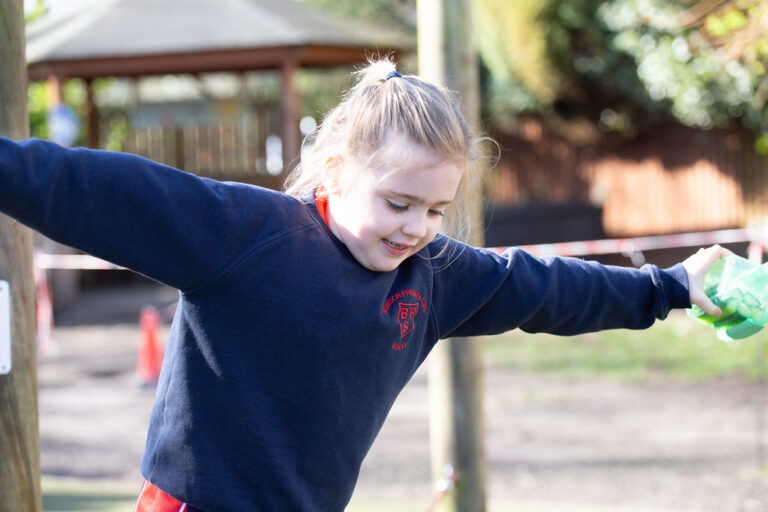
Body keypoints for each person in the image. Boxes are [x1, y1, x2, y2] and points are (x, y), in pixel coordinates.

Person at [0, 58, 729, 512]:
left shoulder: (434, 277)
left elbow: (541, 287)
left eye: (436, 209)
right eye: (398, 203)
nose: (416, 227)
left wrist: (668, 286)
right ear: (339, 172)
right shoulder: (249, 236)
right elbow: (98, 190)